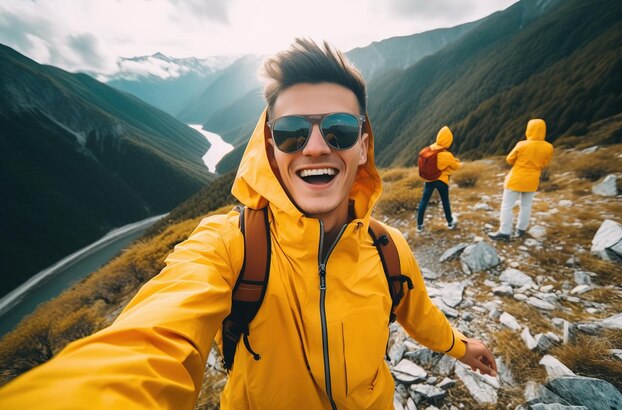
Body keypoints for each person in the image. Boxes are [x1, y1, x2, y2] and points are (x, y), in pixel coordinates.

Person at [0, 38, 496, 409]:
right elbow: (152, 337)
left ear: (364, 145)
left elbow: (418, 311)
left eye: (341, 129)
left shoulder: (389, 249)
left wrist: (460, 346)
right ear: (268, 145)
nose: (317, 146)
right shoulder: (227, 245)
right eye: (291, 132)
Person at [488, 118, 553, 241]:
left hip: (516, 178)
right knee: (526, 205)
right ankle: (521, 230)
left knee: (507, 206)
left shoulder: (522, 144)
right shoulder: (549, 147)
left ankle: (505, 232)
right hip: (533, 179)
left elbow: (509, 159)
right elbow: (545, 163)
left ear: (529, 130)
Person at [416, 126, 462, 233]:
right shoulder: (447, 155)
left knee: (424, 201)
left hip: (429, 180)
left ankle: (419, 225)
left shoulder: (430, 148)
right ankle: (450, 222)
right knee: (445, 201)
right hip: (442, 181)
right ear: (448, 141)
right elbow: (456, 166)